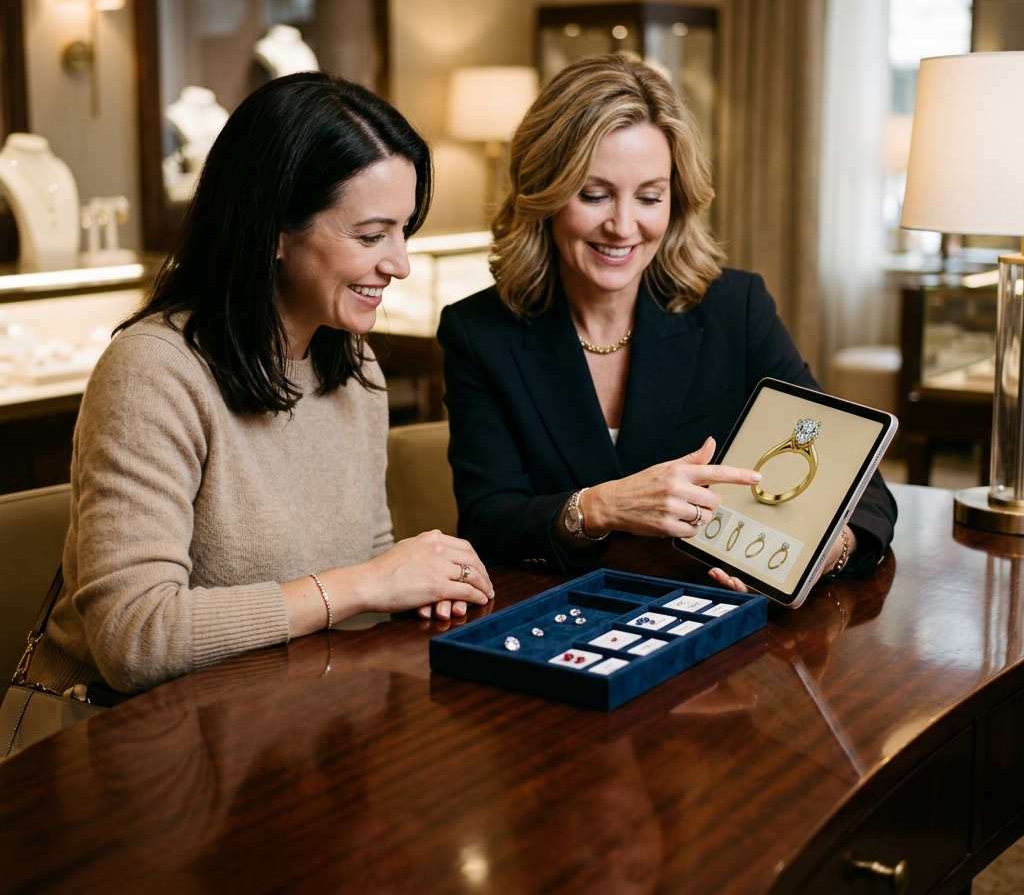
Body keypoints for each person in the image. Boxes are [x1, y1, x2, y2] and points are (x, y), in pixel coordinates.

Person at [27, 73, 493, 700]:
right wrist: (367, 584)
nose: (400, 263)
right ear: (273, 228)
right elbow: (132, 639)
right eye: (369, 235)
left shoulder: (355, 371)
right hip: (124, 743)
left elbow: (366, 556)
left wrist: (416, 589)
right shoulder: (153, 372)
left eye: (403, 230)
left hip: (277, 720)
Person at [438, 53, 896, 590]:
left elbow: (861, 488)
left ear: (676, 201)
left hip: (717, 619)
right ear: (544, 192)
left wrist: (828, 551)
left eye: (650, 196)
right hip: (559, 624)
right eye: (594, 195)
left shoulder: (736, 307)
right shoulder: (478, 330)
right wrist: (600, 505)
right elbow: (488, 522)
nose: (623, 226)